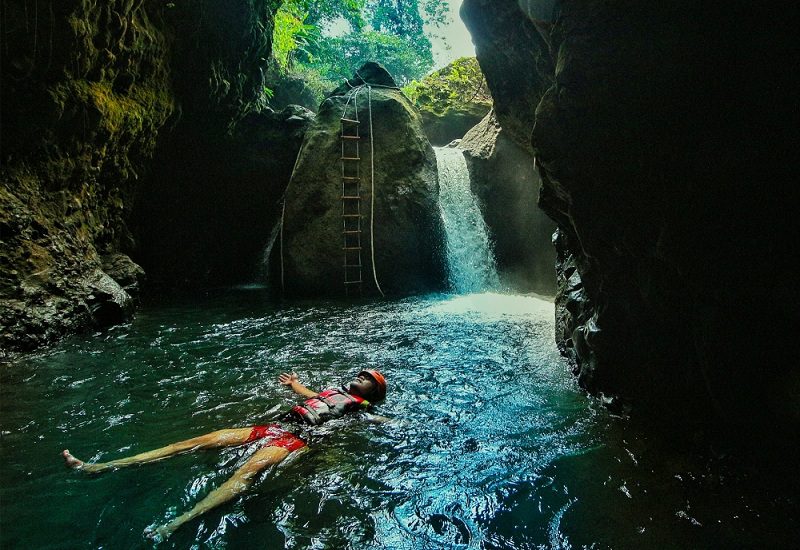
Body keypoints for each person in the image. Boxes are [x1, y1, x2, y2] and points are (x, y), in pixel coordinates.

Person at [61, 369, 388, 540]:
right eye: (362, 374)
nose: (362, 377)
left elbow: (375, 421)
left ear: (373, 394)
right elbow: (311, 396)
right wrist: (295, 385)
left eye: (369, 380)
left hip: (296, 439)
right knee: (196, 441)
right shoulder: (333, 392)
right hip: (274, 426)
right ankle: (99, 466)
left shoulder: (361, 408)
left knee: (244, 474)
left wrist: (390, 423)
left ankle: (178, 522)